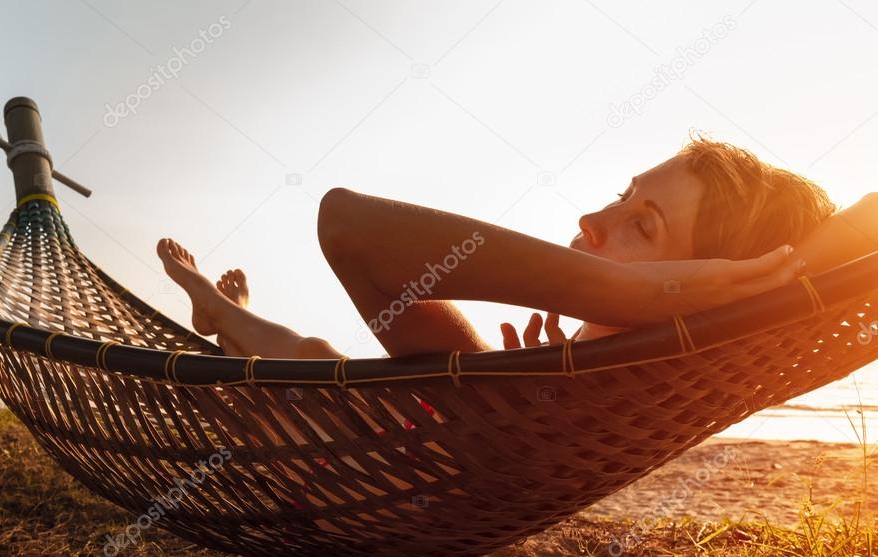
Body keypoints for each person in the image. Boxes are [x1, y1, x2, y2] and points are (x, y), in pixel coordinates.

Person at [158, 136, 870, 359]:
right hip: (465, 413)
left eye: (641, 226)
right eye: (622, 194)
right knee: (316, 359)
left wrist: (643, 295)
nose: (594, 216)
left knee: (315, 361)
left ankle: (221, 312)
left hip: (437, 466)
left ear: (719, 278)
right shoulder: (604, 359)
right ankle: (224, 315)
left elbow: (348, 225)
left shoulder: (688, 348)